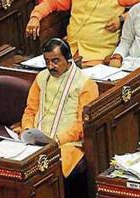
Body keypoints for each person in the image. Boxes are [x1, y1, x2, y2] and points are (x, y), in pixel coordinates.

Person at [17, 38, 99, 177]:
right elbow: (30, 111)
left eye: (55, 61)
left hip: (67, 144)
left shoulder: (86, 84)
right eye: (47, 61)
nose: (50, 66)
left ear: (68, 59)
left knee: (45, 169)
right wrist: (27, 131)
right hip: (36, 140)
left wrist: (57, 140)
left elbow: (82, 125)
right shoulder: (41, 77)